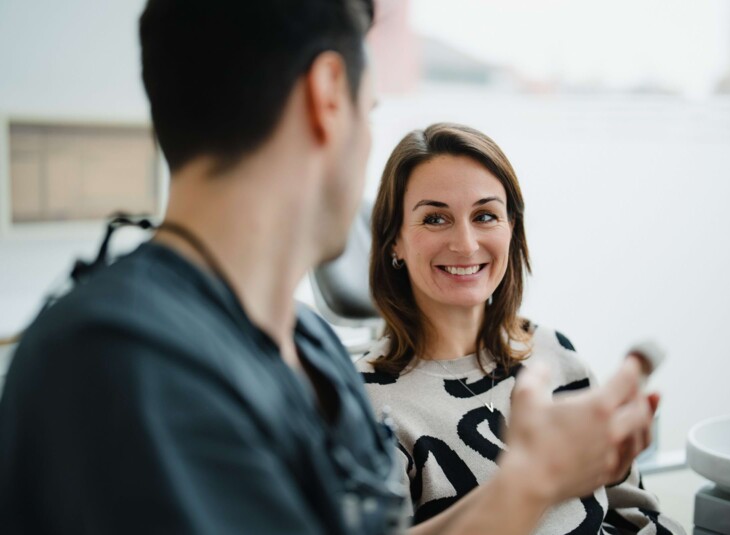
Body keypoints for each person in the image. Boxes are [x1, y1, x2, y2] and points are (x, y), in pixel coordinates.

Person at [0, 2, 656, 534]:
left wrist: (528, 485)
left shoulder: (309, 347)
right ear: (328, 95)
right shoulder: (125, 365)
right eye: (372, 112)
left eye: (487, 215)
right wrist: (528, 489)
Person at [357, 123, 685, 534]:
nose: (466, 243)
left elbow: (635, 510)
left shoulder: (553, 351)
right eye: (436, 218)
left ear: (512, 230)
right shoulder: (367, 406)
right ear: (395, 242)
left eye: (485, 216)